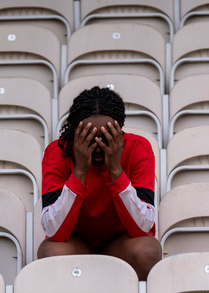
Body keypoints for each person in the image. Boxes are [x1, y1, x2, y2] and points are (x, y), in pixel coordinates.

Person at [37, 86, 161, 280]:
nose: (97, 146)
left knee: (148, 253)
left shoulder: (138, 149)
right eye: (87, 137)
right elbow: (55, 232)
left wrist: (116, 171)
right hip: (75, 242)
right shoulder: (58, 152)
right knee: (51, 253)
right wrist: (79, 172)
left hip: (122, 242)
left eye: (106, 138)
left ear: (119, 132)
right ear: (74, 132)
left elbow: (142, 227)